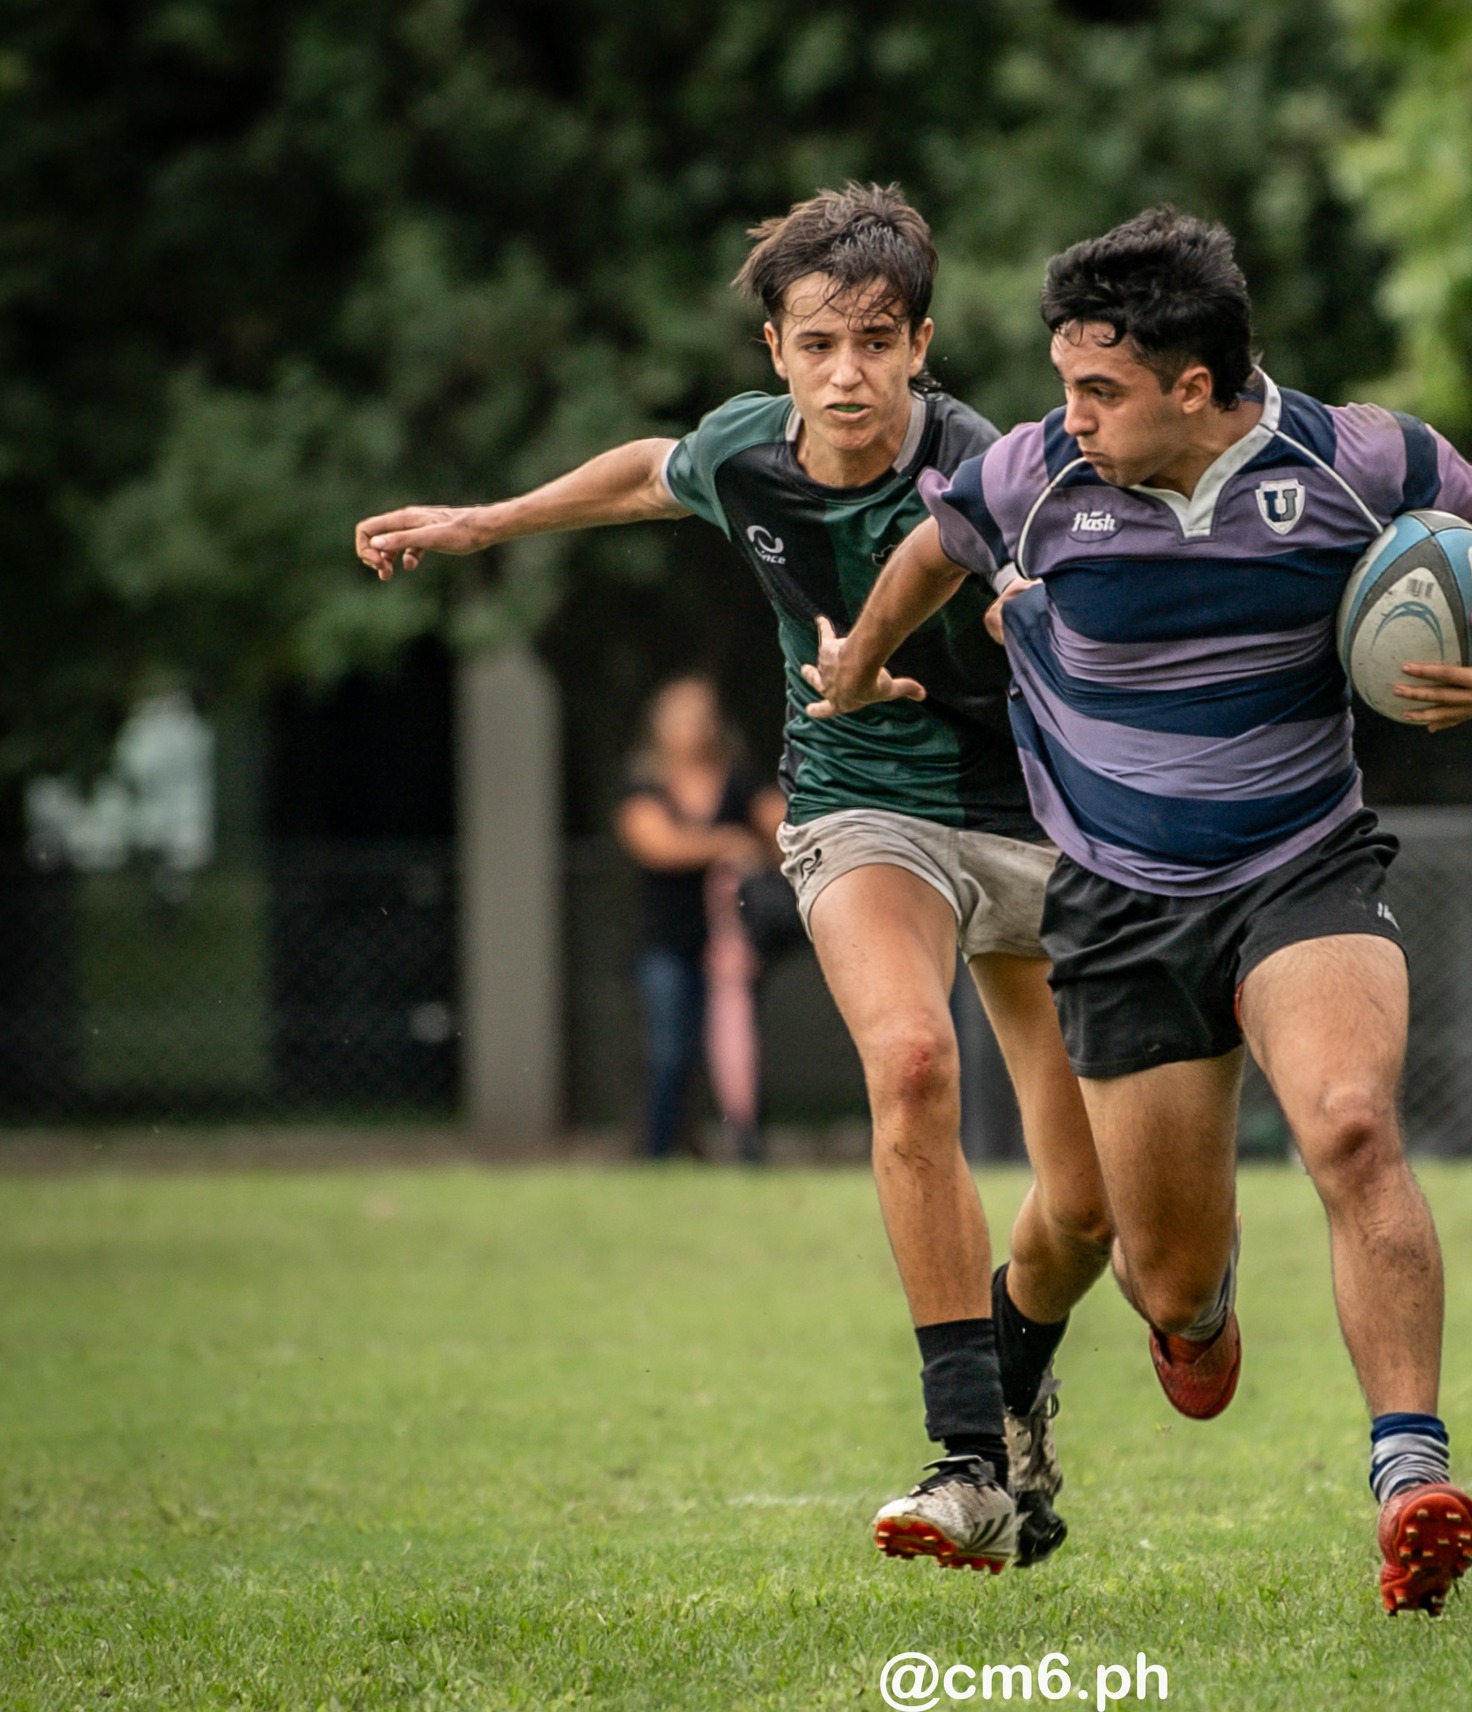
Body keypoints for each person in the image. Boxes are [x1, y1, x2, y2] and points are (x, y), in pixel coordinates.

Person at [354, 185, 1112, 1573]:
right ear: (776, 351)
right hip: (860, 808)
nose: (846, 374)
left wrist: (1009, 634)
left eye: (875, 343)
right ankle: (966, 1458)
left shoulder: (989, 469)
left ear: (920, 345)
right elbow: (652, 469)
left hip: (1032, 821)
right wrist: (479, 523)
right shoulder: (743, 452)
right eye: (817, 344)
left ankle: (1016, 1387)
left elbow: (1052, 616)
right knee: (911, 1063)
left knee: (1085, 1208)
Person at [805, 207, 1472, 1613]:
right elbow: (931, 549)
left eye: (1101, 389)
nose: (1067, 413)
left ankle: (1412, 1473)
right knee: (1168, 1286)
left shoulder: (1351, 457)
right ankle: (1194, 1314)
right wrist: (856, 664)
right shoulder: (1032, 476)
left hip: (1302, 867)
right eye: (1063, 382)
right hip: (1123, 904)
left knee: (1348, 1122)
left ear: (1194, 388)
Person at [616, 675, 784, 1163]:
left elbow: (782, 825)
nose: (695, 728)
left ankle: (747, 1149)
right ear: (661, 727)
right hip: (667, 940)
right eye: (683, 717)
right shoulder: (643, 783)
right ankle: (660, 1151)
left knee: (737, 1050)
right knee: (670, 1050)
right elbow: (655, 844)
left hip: (733, 943)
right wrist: (731, 844)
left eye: (703, 716)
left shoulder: (739, 780)